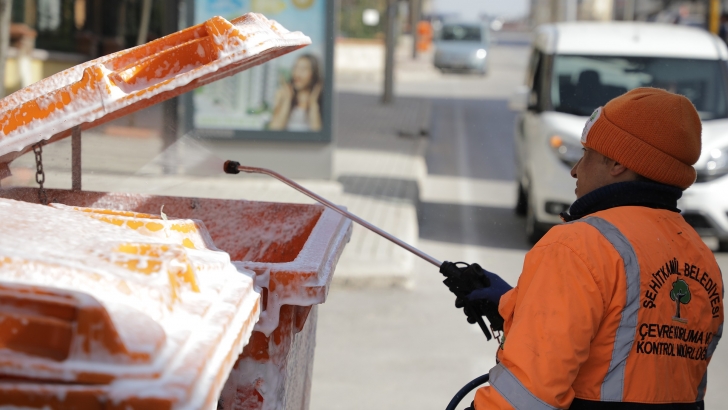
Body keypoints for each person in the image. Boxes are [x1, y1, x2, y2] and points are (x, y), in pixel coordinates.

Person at [462, 88, 724, 409]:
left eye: (586, 154)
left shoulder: (578, 246)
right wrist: (513, 308)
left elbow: (525, 396)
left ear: (616, 162)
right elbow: (630, 351)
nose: (575, 169)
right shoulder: (700, 257)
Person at [269, 54, 323, 131]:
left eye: (303, 69)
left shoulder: (320, 100)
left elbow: (317, 134)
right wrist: (287, 100)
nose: (297, 74)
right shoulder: (282, 95)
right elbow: (274, 130)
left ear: (314, 73)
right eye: (295, 68)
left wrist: (313, 103)